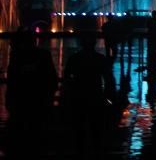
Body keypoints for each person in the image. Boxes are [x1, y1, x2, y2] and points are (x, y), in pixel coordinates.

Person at [5, 27, 58, 157]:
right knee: (36, 134)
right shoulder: (43, 55)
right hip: (37, 101)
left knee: (21, 134)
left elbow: (12, 80)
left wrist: (9, 100)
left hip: (22, 102)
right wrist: (49, 97)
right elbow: (52, 79)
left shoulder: (17, 56)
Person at [62, 32, 116, 158]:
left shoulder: (74, 59)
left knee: (79, 128)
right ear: (94, 44)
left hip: (78, 96)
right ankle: (96, 151)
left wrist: (66, 96)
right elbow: (109, 80)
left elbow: (67, 78)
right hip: (95, 95)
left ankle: (80, 151)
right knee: (96, 128)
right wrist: (109, 99)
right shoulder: (100, 59)